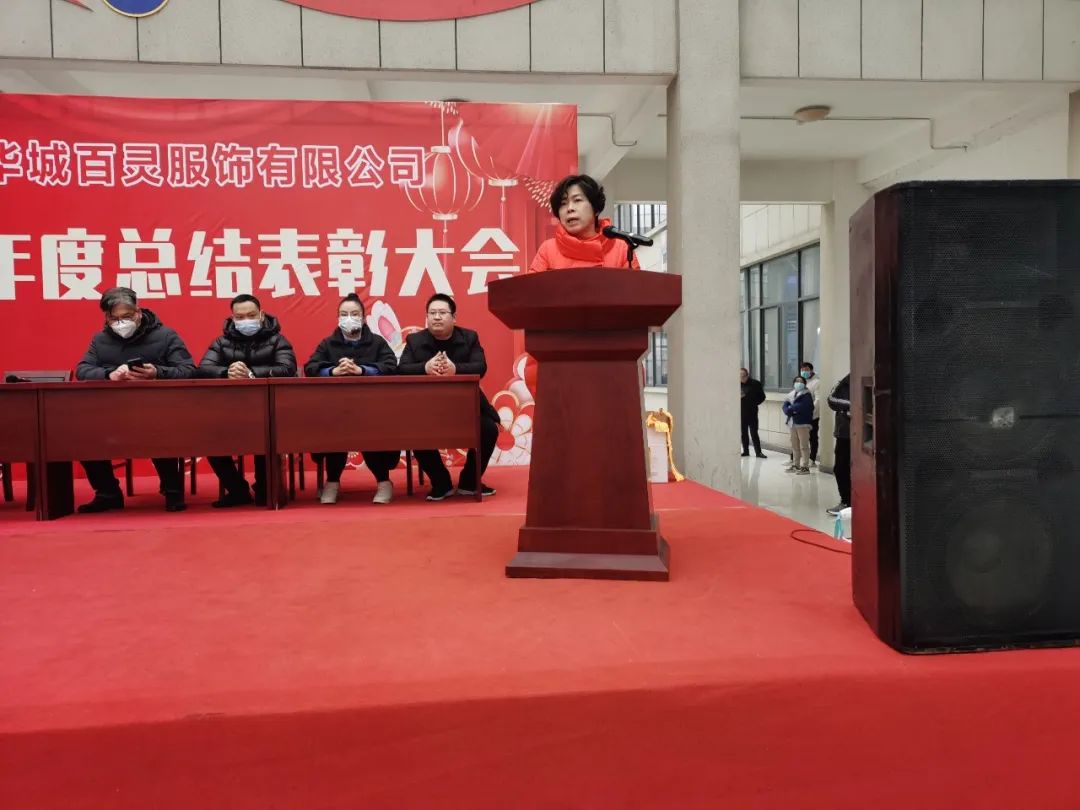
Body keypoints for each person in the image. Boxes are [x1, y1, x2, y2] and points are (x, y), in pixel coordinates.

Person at [74, 286, 196, 513]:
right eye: (115, 319)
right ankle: (108, 493)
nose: (121, 323)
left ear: (138, 312)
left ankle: (172, 491)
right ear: (107, 318)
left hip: (159, 410)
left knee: (160, 429)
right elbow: (82, 370)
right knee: (83, 435)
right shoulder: (100, 340)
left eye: (127, 316)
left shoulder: (165, 335)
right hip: (112, 412)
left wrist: (157, 372)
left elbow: (188, 369)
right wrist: (109, 375)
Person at [398, 293, 501, 501]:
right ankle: (441, 482)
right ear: (427, 317)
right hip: (426, 409)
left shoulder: (469, 338)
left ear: (454, 317)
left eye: (442, 313)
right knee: (414, 431)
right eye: (432, 313)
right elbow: (402, 369)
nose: (437, 317)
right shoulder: (415, 340)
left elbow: (480, 367)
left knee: (488, 429)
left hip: (465, 407)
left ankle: (469, 482)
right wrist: (425, 368)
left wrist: (455, 369)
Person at [199, 293, 297, 507]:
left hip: (269, 412)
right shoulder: (221, 342)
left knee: (266, 436)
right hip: (230, 412)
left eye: (251, 315)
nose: (246, 321)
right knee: (210, 440)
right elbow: (203, 368)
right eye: (240, 317)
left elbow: (287, 368)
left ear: (261, 315)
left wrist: (251, 373)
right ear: (232, 318)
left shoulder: (278, 340)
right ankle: (237, 491)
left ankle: (265, 490)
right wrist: (226, 372)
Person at [303, 293, 400, 505]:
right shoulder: (328, 343)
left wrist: (362, 370)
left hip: (372, 408)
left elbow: (391, 366)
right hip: (335, 409)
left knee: (369, 431)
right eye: (344, 314)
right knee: (335, 430)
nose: (349, 318)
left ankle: (384, 482)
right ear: (338, 318)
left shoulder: (377, 342)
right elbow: (310, 367)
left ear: (363, 318)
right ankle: (332, 482)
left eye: (354, 314)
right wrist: (333, 371)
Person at [529, 174, 641, 272]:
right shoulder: (548, 250)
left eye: (577, 200)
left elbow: (635, 288)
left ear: (596, 209)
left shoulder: (621, 249)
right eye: (563, 203)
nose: (570, 208)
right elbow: (531, 288)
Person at [827, 374, 851, 516]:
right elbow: (831, 400)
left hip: (865, 434)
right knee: (841, 468)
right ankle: (846, 501)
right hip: (845, 434)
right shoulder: (846, 382)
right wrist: (850, 406)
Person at [781, 375, 814, 476]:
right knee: (794, 445)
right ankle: (796, 465)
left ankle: (805, 467)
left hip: (802, 423)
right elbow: (785, 405)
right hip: (792, 423)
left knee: (804, 445)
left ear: (804, 384)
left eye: (801, 381)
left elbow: (802, 407)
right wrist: (788, 410)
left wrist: (790, 409)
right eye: (797, 381)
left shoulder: (807, 395)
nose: (799, 383)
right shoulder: (791, 394)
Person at [739, 367, 767, 458]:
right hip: (740, 412)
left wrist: (753, 403)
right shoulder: (736, 384)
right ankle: (745, 451)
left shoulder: (755, 383)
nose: (742, 378)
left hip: (752, 412)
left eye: (743, 376)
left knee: (754, 432)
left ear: (747, 375)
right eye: (740, 376)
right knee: (743, 433)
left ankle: (758, 452)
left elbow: (762, 397)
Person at [800, 361, 822, 465]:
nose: (804, 372)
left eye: (806, 370)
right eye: (802, 370)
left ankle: (812, 459)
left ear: (811, 370)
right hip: (800, 415)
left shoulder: (817, 382)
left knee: (812, 437)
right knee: (798, 437)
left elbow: (818, 400)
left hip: (812, 415)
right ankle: (794, 458)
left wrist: (809, 411)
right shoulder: (801, 381)